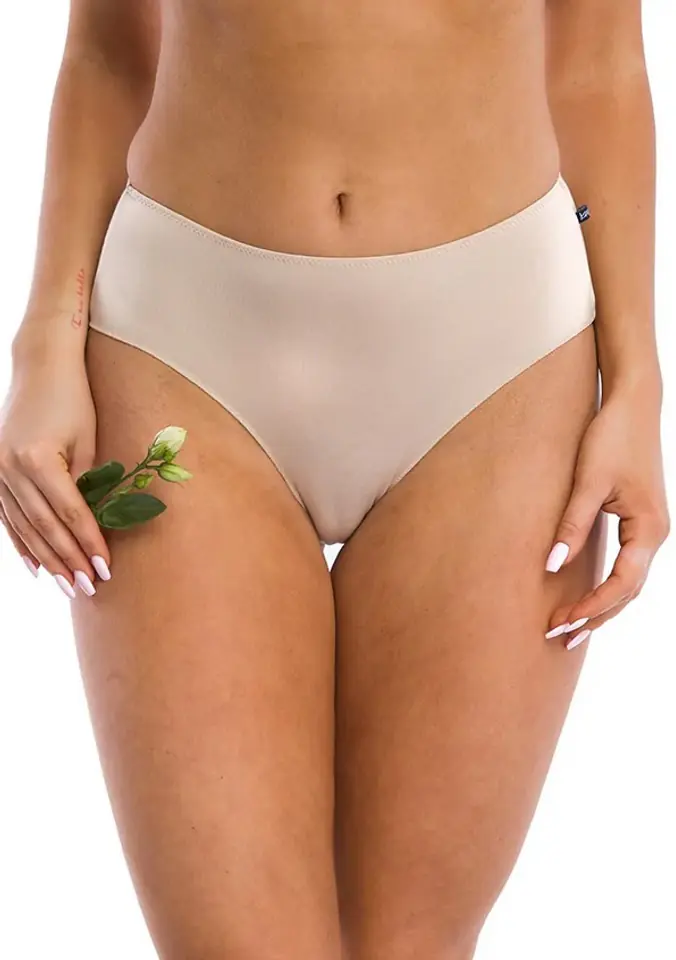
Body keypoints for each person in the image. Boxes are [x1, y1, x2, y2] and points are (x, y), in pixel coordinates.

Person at [0, 2, 669, 958]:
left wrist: (638, 386)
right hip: (182, 340)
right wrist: (44, 345)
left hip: (500, 364)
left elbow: (597, 68)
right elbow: (108, 55)